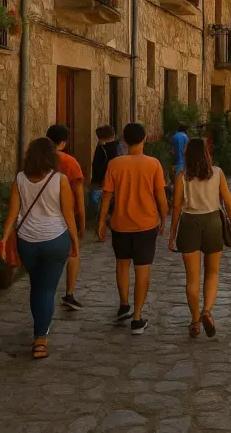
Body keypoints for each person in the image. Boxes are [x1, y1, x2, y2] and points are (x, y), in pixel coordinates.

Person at [0, 137, 79, 359]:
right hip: (55, 239)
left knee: (37, 286)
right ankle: (40, 339)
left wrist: (3, 240)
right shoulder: (60, 180)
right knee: (46, 290)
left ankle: (40, 328)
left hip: (28, 241)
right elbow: (68, 214)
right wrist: (75, 240)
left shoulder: (20, 180)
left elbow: (12, 214)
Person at [98, 122, 167, 335]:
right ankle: (137, 318)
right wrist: (164, 218)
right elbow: (161, 197)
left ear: (124, 140)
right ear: (144, 138)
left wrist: (101, 222)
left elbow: (107, 195)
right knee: (142, 269)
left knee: (122, 265)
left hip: (120, 223)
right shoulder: (153, 164)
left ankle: (124, 304)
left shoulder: (115, 164)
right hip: (146, 224)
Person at [169, 139, 231, 338]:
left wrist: (172, 233)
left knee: (192, 278)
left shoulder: (182, 177)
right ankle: (207, 311)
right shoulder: (217, 173)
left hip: (189, 223)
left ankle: (194, 321)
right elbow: (228, 202)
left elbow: (176, 207)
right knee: (212, 272)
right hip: (213, 222)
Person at [45, 125, 86, 312]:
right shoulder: (70, 162)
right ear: (63, 142)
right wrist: (82, 222)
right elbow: (79, 195)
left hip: (43, 214)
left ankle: (46, 290)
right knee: (73, 253)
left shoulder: (38, 160)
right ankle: (69, 293)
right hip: (66, 215)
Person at [89, 125, 121, 226]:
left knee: (99, 203)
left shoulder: (103, 149)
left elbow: (100, 166)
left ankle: (101, 221)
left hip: (101, 181)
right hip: (112, 182)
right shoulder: (119, 147)